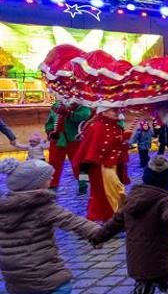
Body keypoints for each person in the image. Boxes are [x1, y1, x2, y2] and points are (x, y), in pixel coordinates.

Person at [91, 156, 168, 294]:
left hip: (137, 262)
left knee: (143, 288)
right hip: (159, 262)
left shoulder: (131, 199)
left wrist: (98, 237)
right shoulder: (164, 201)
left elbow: (114, 224)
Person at [0, 158, 101, 294]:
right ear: (37, 185)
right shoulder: (42, 205)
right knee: (62, 288)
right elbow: (72, 221)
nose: (52, 178)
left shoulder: (4, 207)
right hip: (45, 277)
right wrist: (101, 233)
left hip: (14, 279)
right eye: (48, 177)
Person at [74, 107, 131, 221]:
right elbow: (101, 149)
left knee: (111, 192)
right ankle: (115, 218)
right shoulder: (97, 127)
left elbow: (116, 148)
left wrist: (123, 142)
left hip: (112, 165)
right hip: (101, 167)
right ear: (104, 111)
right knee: (114, 192)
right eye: (113, 110)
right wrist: (120, 139)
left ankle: (115, 217)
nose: (117, 112)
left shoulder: (115, 126)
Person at [45, 101, 91, 193]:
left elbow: (84, 116)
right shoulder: (56, 105)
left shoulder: (81, 106)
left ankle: (83, 183)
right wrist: (50, 131)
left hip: (74, 140)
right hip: (57, 140)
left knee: (80, 165)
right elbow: (49, 121)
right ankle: (52, 184)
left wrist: (68, 113)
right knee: (53, 164)